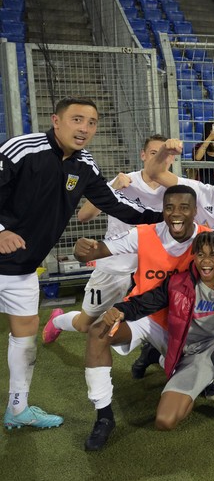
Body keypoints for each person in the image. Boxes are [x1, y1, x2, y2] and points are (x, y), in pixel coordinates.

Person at [0, 97, 163, 431]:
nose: (85, 129)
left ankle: (17, 408)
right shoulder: (21, 148)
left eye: (92, 123)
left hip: (22, 269)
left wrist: (168, 218)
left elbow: (116, 204)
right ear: (56, 121)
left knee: (25, 338)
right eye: (77, 120)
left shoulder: (84, 164)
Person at [73, 184, 214, 450]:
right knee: (98, 331)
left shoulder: (211, 240)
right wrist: (83, 248)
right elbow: (92, 252)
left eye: (184, 208)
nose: (176, 214)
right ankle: (104, 417)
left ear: (195, 211)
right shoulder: (144, 235)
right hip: (152, 317)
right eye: (169, 208)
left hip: (196, 326)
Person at [98, 231, 214, 436]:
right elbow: (145, 302)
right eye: (201, 255)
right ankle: (203, 378)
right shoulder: (177, 283)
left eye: (213, 255)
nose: (206, 262)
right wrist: (120, 310)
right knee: (165, 420)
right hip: (191, 355)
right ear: (194, 256)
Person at [44, 135, 168, 343]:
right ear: (143, 155)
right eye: (154, 153)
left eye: (164, 155)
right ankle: (57, 321)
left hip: (151, 269)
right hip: (115, 266)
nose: (158, 159)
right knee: (86, 324)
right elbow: (84, 216)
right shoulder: (124, 180)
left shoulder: (174, 189)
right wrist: (114, 187)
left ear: (170, 159)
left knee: (159, 320)